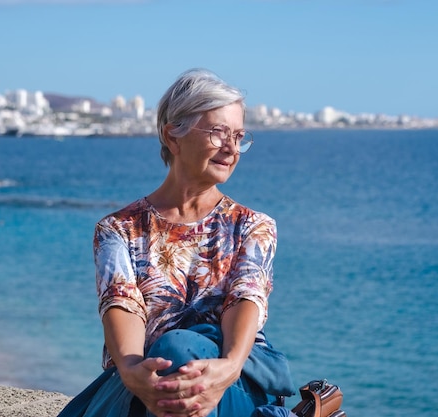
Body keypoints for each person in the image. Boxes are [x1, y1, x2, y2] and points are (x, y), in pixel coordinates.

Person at [58, 68, 295, 417]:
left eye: (239, 136)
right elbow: (121, 305)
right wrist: (132, 372)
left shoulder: (252, 226)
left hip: (233, 383)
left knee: (179, 348)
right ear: (173, 136)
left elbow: (246, 299)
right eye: (218, 133)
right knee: (172, 356)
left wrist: (227, 367)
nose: (232, 148)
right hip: (149, 383)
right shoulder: (119, 230)